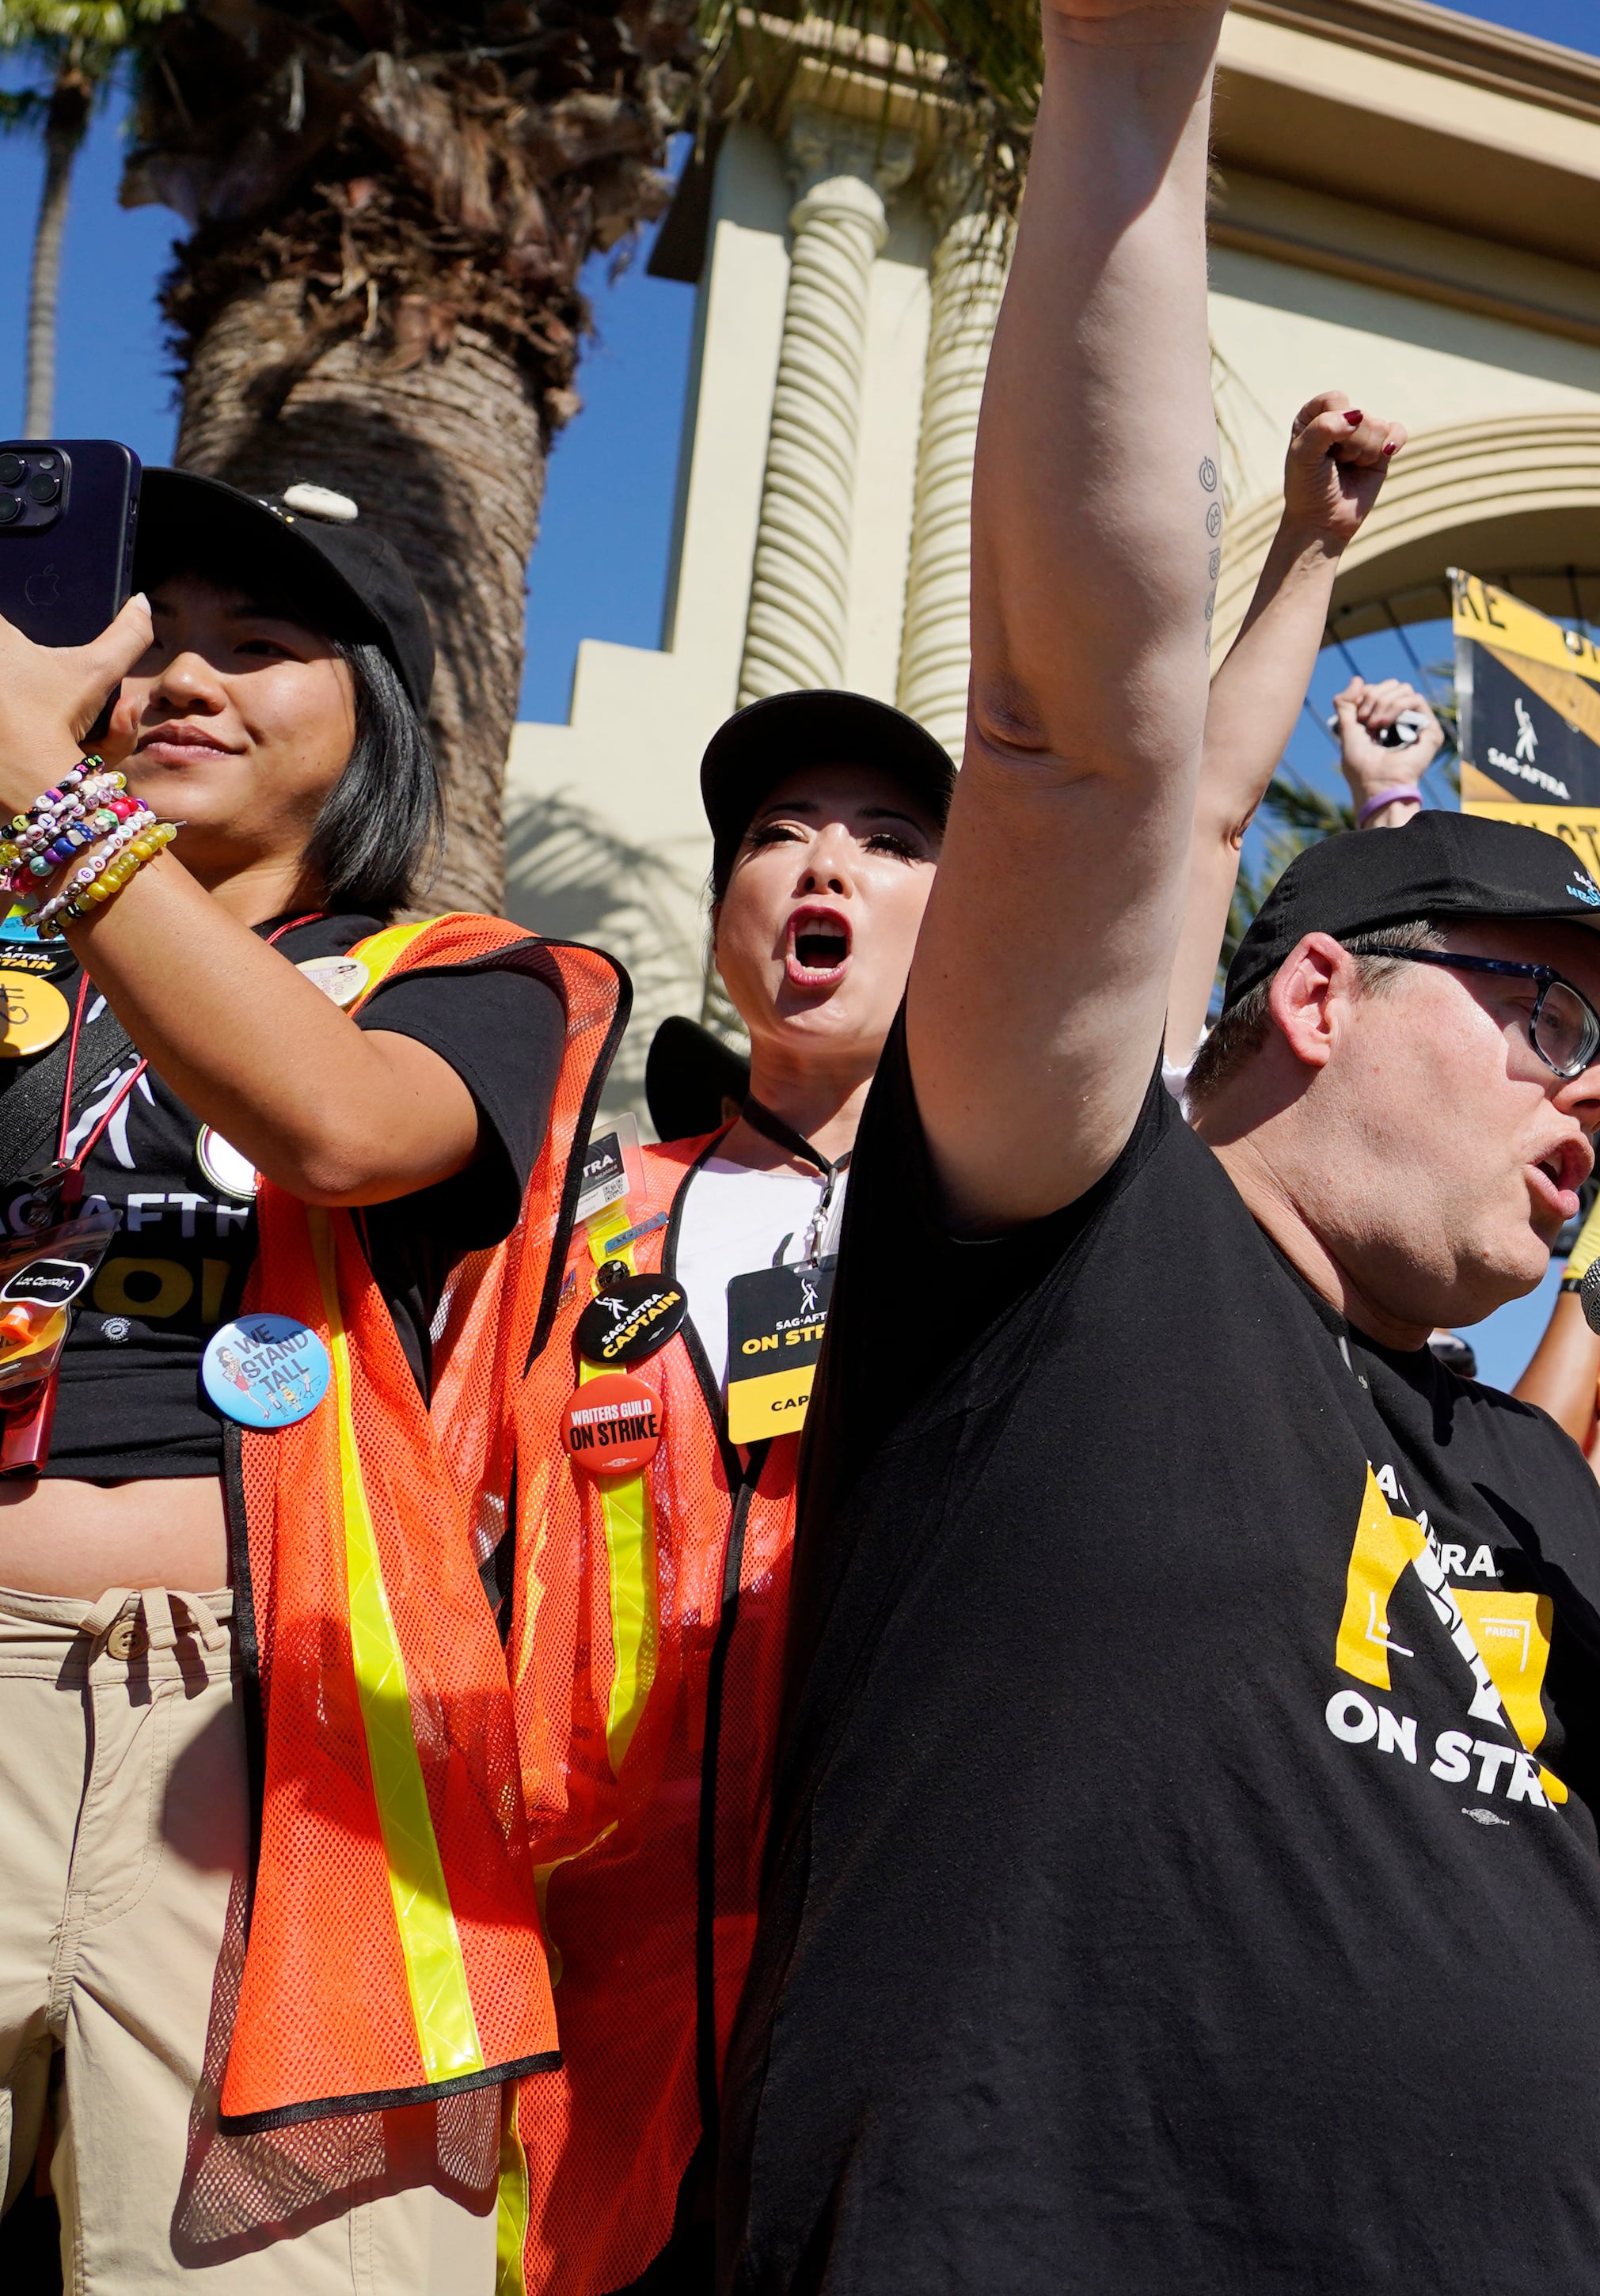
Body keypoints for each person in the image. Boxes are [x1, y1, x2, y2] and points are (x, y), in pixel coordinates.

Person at [719, 0, 1600, 2291]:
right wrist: (1133, 60)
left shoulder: (1547, 1494)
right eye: (1553, 1011)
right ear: (1317, 986)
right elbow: (1081, 743)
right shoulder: (1055, 1230)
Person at [0, 472, 620, 2287]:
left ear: (376, 729)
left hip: (275, 1758)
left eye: (259, 649)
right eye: (149, 646)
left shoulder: (479, 977)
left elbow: (342, 1127)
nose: (186, 679)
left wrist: (51, 804)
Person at [493, 687, 951, 2295]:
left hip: (892, 1943)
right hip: (588, 1976)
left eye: (890, 844)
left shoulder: (1001, 1227)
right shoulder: (581, 1209)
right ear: (725, 915)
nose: (826, 864)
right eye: (779, 836)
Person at [1156, 387, 1416, 1075]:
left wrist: (1316, 536)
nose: (829, 866)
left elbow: (1209, 814)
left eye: (891, 840)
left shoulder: (1119, 1120)